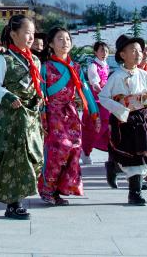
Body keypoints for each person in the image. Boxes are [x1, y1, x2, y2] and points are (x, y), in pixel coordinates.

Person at [0, 14, 45, 220]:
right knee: (14, 157)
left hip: (30, 117)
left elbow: (36, 86)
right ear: (13, 34)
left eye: (33, 33)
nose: (31, 37)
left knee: (32, 155)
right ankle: (14, 203)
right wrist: (8, 96)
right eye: (27, 33)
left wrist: (38, 97)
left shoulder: (34, 60)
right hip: (12, 117)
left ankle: (19, 198)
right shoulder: (4, 60)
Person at [38, 26, 98, 206]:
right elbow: (41, 93)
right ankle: (47, 189)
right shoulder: (45, 67)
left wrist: (94, 112)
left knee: (74, 149)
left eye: (67, 39)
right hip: (53, 113)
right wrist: (42, 117)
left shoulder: (76, 67)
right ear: (50, 44)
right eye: (60, 39)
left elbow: (85, 90)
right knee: (58, 149)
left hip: (71, 114)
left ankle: (60, 190)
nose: (65, 42)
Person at [98, 34, 147, 206]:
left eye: (140, 50)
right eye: (133, 50)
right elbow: (103, 97)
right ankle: (117, 169)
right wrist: (121, 109)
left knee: (140, 154)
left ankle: (134, 192)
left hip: (140, 120)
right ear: (122, 54)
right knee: (127, 152)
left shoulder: (145, 75)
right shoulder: (116, 76)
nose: (138, 54)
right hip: (122, 120)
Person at [81, 41, 111, 164]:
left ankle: (112, 153)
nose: (105, 53)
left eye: (106, 51)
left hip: (106, 100)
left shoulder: (106, 65)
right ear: (95, 52)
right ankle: (86, 151)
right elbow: (95, 84)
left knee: (109, 127)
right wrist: (104, 93)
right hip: (96, 102)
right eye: (102, 50)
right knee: (95, 128)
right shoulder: (93, 66)